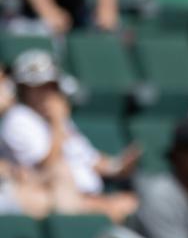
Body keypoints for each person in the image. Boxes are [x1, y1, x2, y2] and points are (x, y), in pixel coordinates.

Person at [0, 50, 139, 223]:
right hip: (59, 201)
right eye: (39, 87)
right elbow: (48, 168)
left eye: (51, 86)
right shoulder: (19, 118)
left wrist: (117, 167)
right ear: (24, 89)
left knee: (136, 204)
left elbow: (90, 159)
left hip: (89, 197)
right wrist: (57, 124)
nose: (47, 93)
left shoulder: (57, 118)